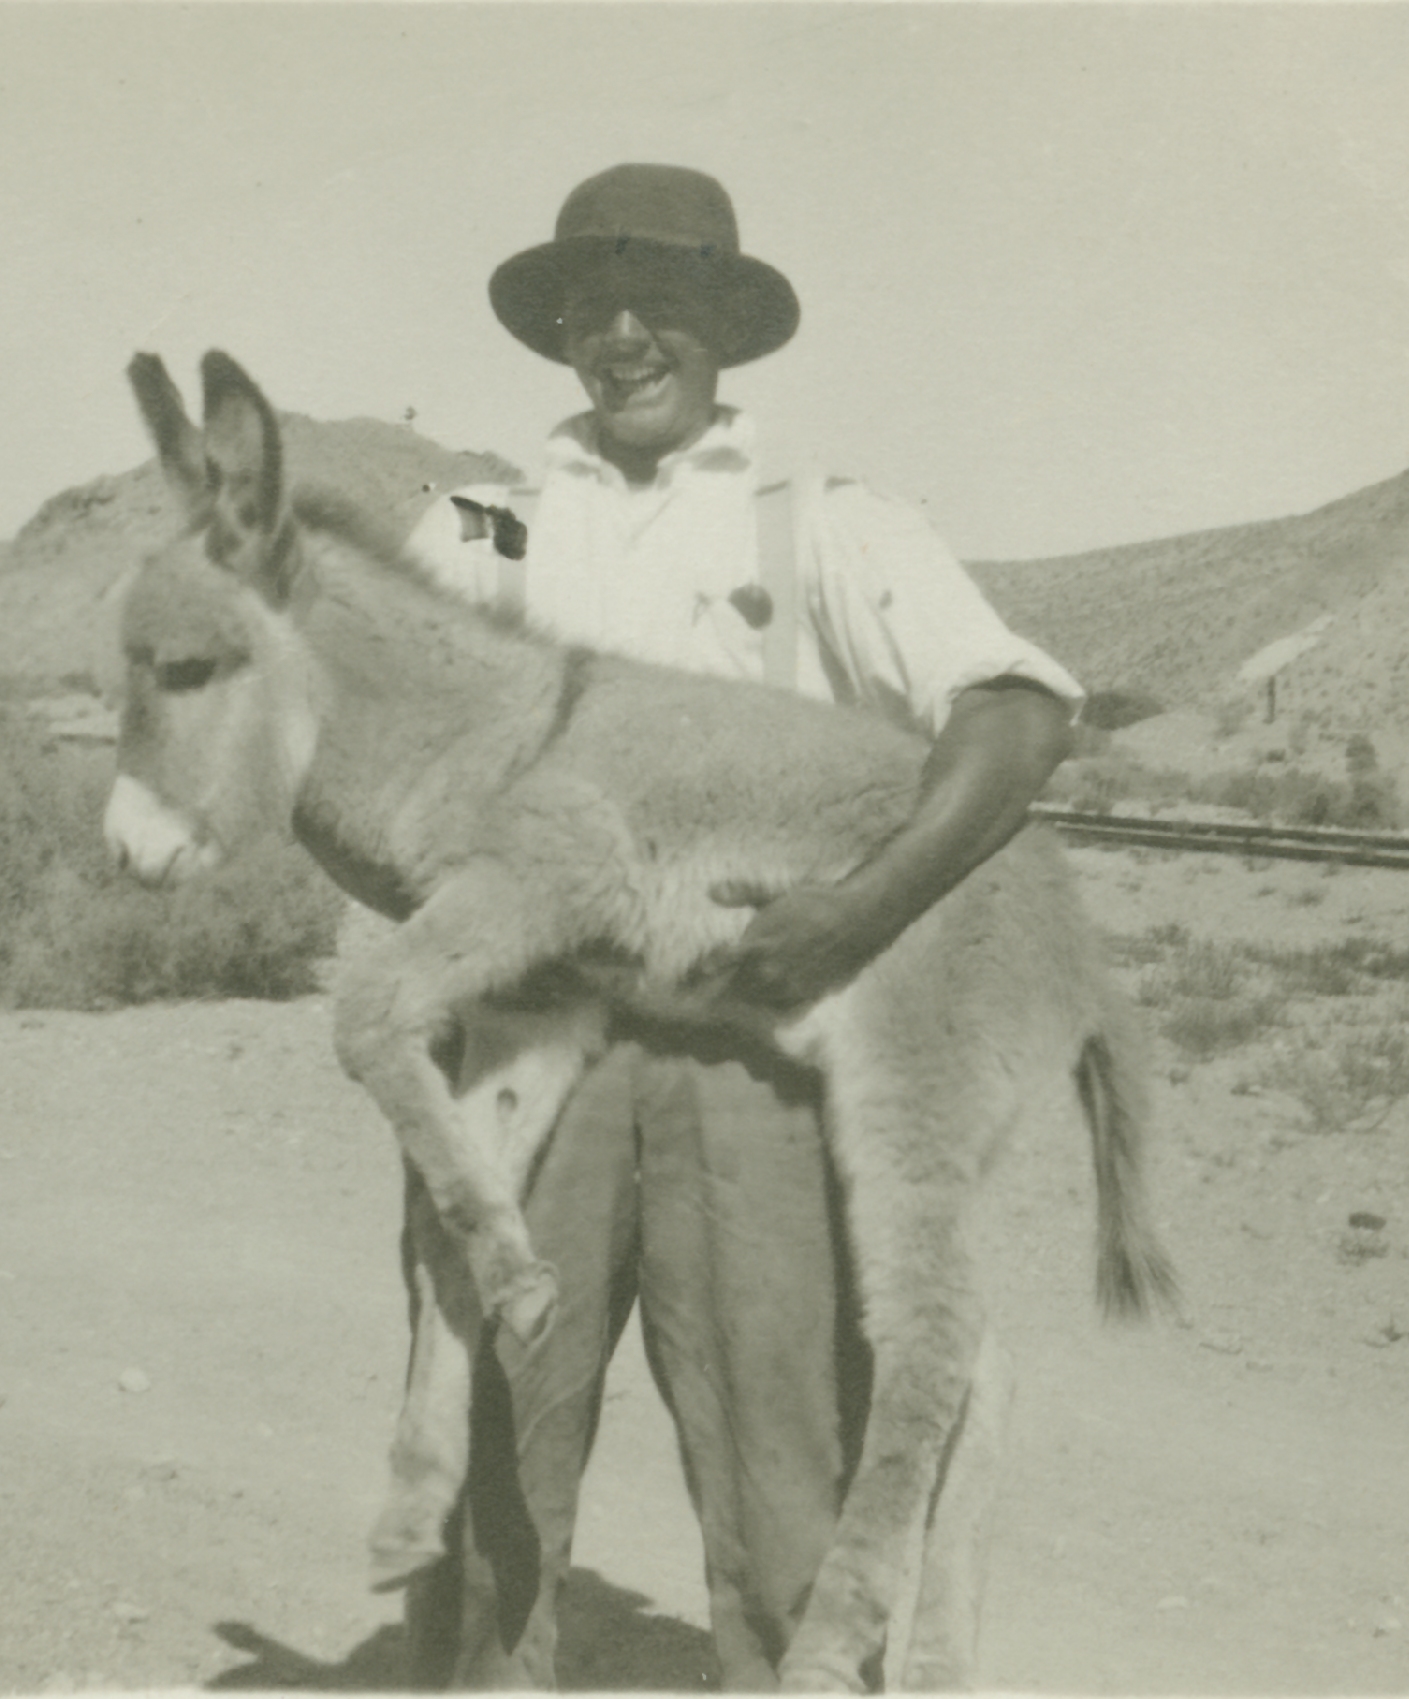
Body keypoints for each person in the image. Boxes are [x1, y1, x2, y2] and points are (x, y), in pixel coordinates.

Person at [394, 163, 1084, 1688]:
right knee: (494, 1449)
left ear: (724, 323)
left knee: (788, 1462)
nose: (624, 333)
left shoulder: (819, 524)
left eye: (663, 300)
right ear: (560, 332)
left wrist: (860, 913)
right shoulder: (483, 522)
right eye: (593, 304)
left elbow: (1018, 715)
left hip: (752, 1067)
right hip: (529, 1053)